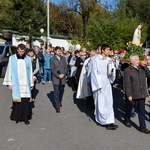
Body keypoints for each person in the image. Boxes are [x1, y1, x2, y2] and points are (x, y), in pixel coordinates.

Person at [3, 44, 34, 125]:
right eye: (20, 51)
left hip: (26, 83)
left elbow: (30, 71)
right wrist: (9, 83)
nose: (21, 53)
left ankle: (25, 118)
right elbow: (9, 70)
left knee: (26, 102)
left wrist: (31, 83)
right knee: (18, 102)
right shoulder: (12, 58)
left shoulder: (28, 59)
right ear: (17, 50)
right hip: (16, 83)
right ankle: (17, 117)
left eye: (23, 52)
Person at [90, 44, 119, 130]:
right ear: (102, 50)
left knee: (108, 101)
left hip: (106, 81)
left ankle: (109, 120)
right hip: (99, 82)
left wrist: (111, 73)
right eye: (107, 50)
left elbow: (112, 69)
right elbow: (93, 73)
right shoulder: (96, 60)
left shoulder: (109, 60)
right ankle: (102, 120)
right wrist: (97, 85)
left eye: (109, 50)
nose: (109, 52)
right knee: (101, 102)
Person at [123, 54, 150, 134]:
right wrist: (129, 95)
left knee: (141, 111)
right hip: (133, 93)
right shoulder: (128, 70)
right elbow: (127, 84)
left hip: (141, 93)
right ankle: (126, 119)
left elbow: (149, 75)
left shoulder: (141, 68)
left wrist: (145, 67)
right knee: (129, 108)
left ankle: (143, 128)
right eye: (137, 60)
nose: (139, 61)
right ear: (132, 61)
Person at [50, 46, 68, 113]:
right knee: (56, 91)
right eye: (58, 51)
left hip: (63, 77)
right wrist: (58, 75)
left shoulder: (63, 58)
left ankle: (60, 100)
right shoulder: (52, 59)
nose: (59, 52)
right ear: (55, 51)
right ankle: (57, 105)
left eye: (60, 51)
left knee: (62, 90)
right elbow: (52, 69)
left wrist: (63, 74)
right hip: (56, 78)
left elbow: (66, 68)